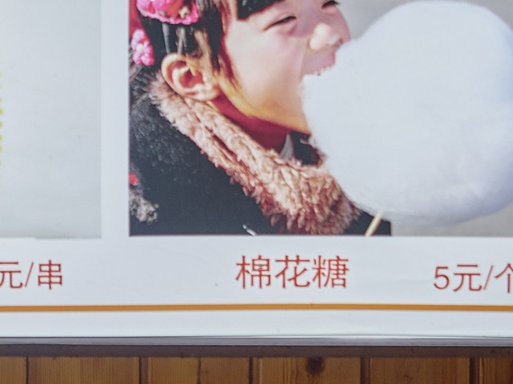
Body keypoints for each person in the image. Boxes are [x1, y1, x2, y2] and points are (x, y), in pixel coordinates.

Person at [127, 0, 370, 237]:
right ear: (194, 76)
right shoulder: (150, 213)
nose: (330, 35)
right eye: (285, 19)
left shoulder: (364, 159)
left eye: (329, 4)